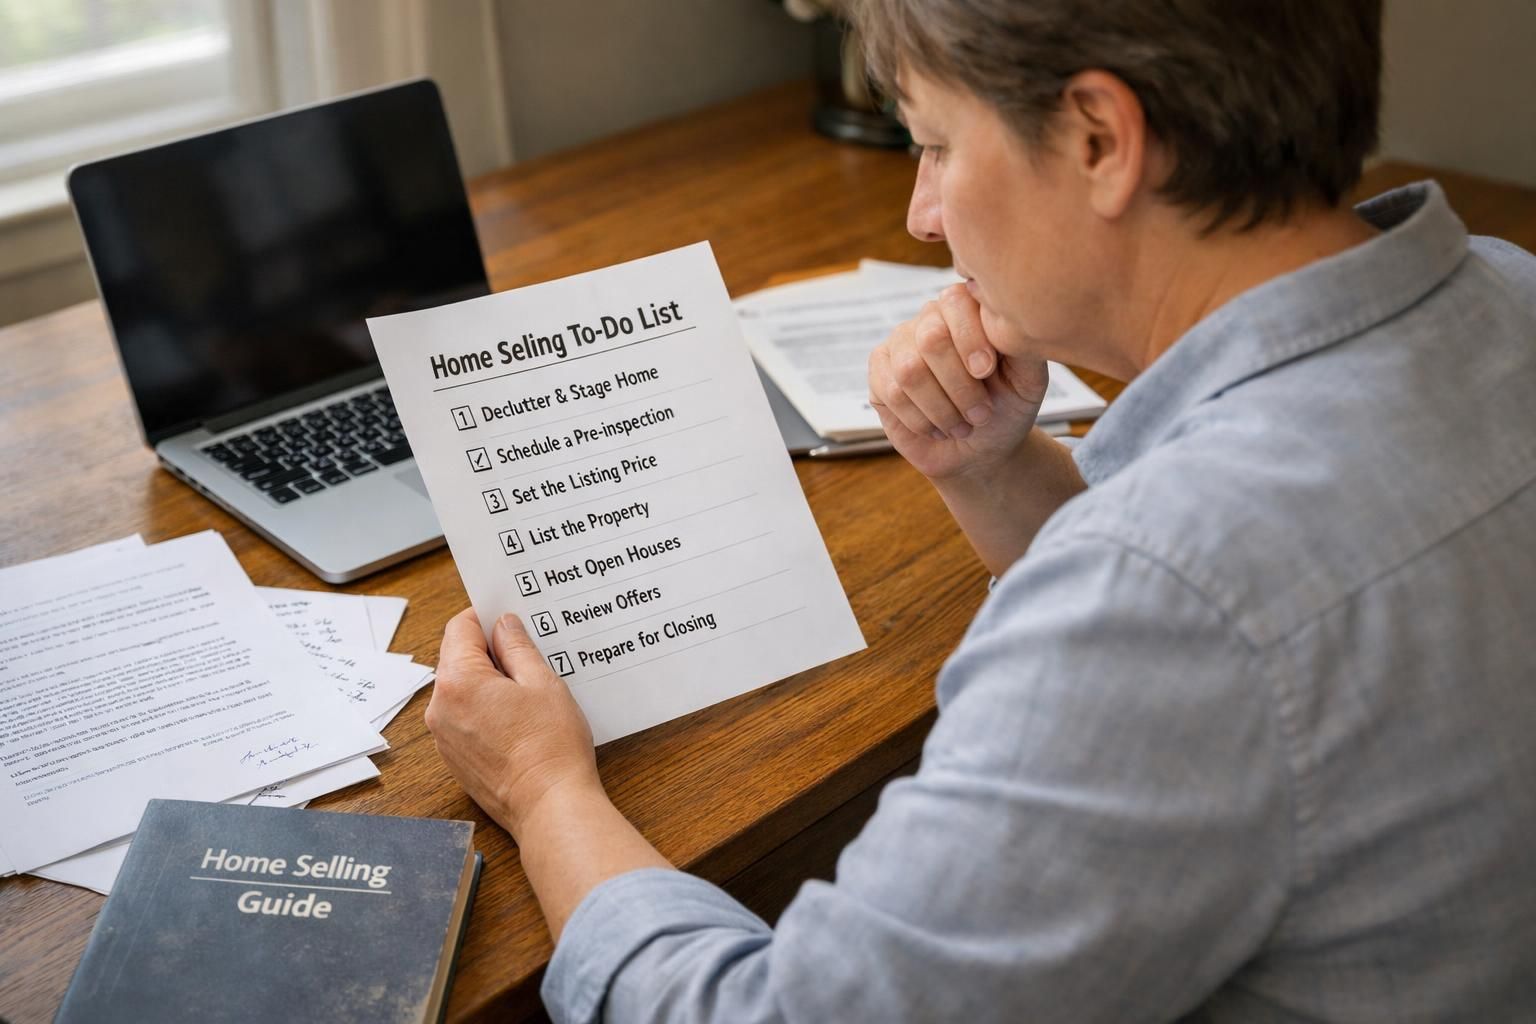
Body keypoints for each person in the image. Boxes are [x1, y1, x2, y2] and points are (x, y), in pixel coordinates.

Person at [425, 0, 1536, 1019]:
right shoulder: (1506, 291)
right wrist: (998, 473)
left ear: (1100, 138)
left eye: (936, 143)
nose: (920, 214)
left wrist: (544, 790)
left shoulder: (1165, 601)